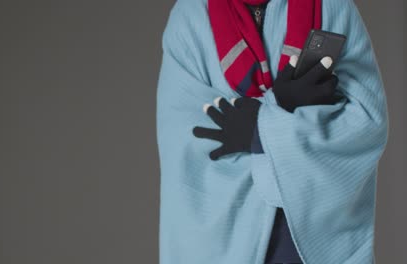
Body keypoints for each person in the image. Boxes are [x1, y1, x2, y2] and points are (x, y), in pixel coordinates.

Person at [156, 0, 388, 263]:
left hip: (313, 236)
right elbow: (184, 137)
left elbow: (366, 123)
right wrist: (286, 113)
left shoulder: (331, 6)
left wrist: (261, 126)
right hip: (220, 243)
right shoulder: (192, 15)